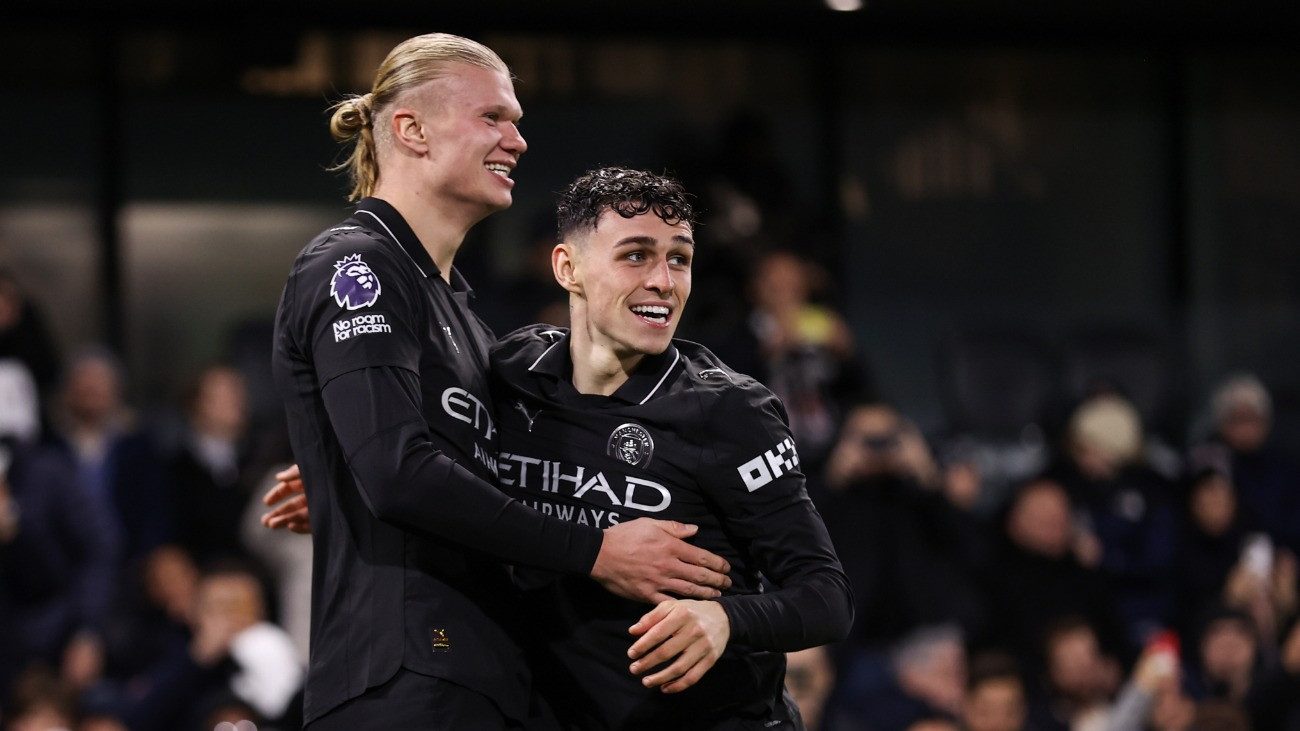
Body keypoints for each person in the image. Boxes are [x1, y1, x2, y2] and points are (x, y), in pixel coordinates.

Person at [268, 167, 854, 728]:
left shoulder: (732, 412)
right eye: (635, 255)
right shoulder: (511, 375)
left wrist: (725, 618)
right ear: (567, 267)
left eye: (680, 258)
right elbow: (416, 452)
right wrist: (335, 473)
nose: (663, 281)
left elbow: (826, 596)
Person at [267, 34, 732, 730]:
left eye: (516, 121)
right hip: (405, 682)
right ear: (411, 129)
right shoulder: (359, 265)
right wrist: (597, 550)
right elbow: (397, 473)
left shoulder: (464, 315)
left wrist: (349, 470)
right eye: (493, 117)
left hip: (486, 684)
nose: (517, 140)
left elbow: (418, 467)